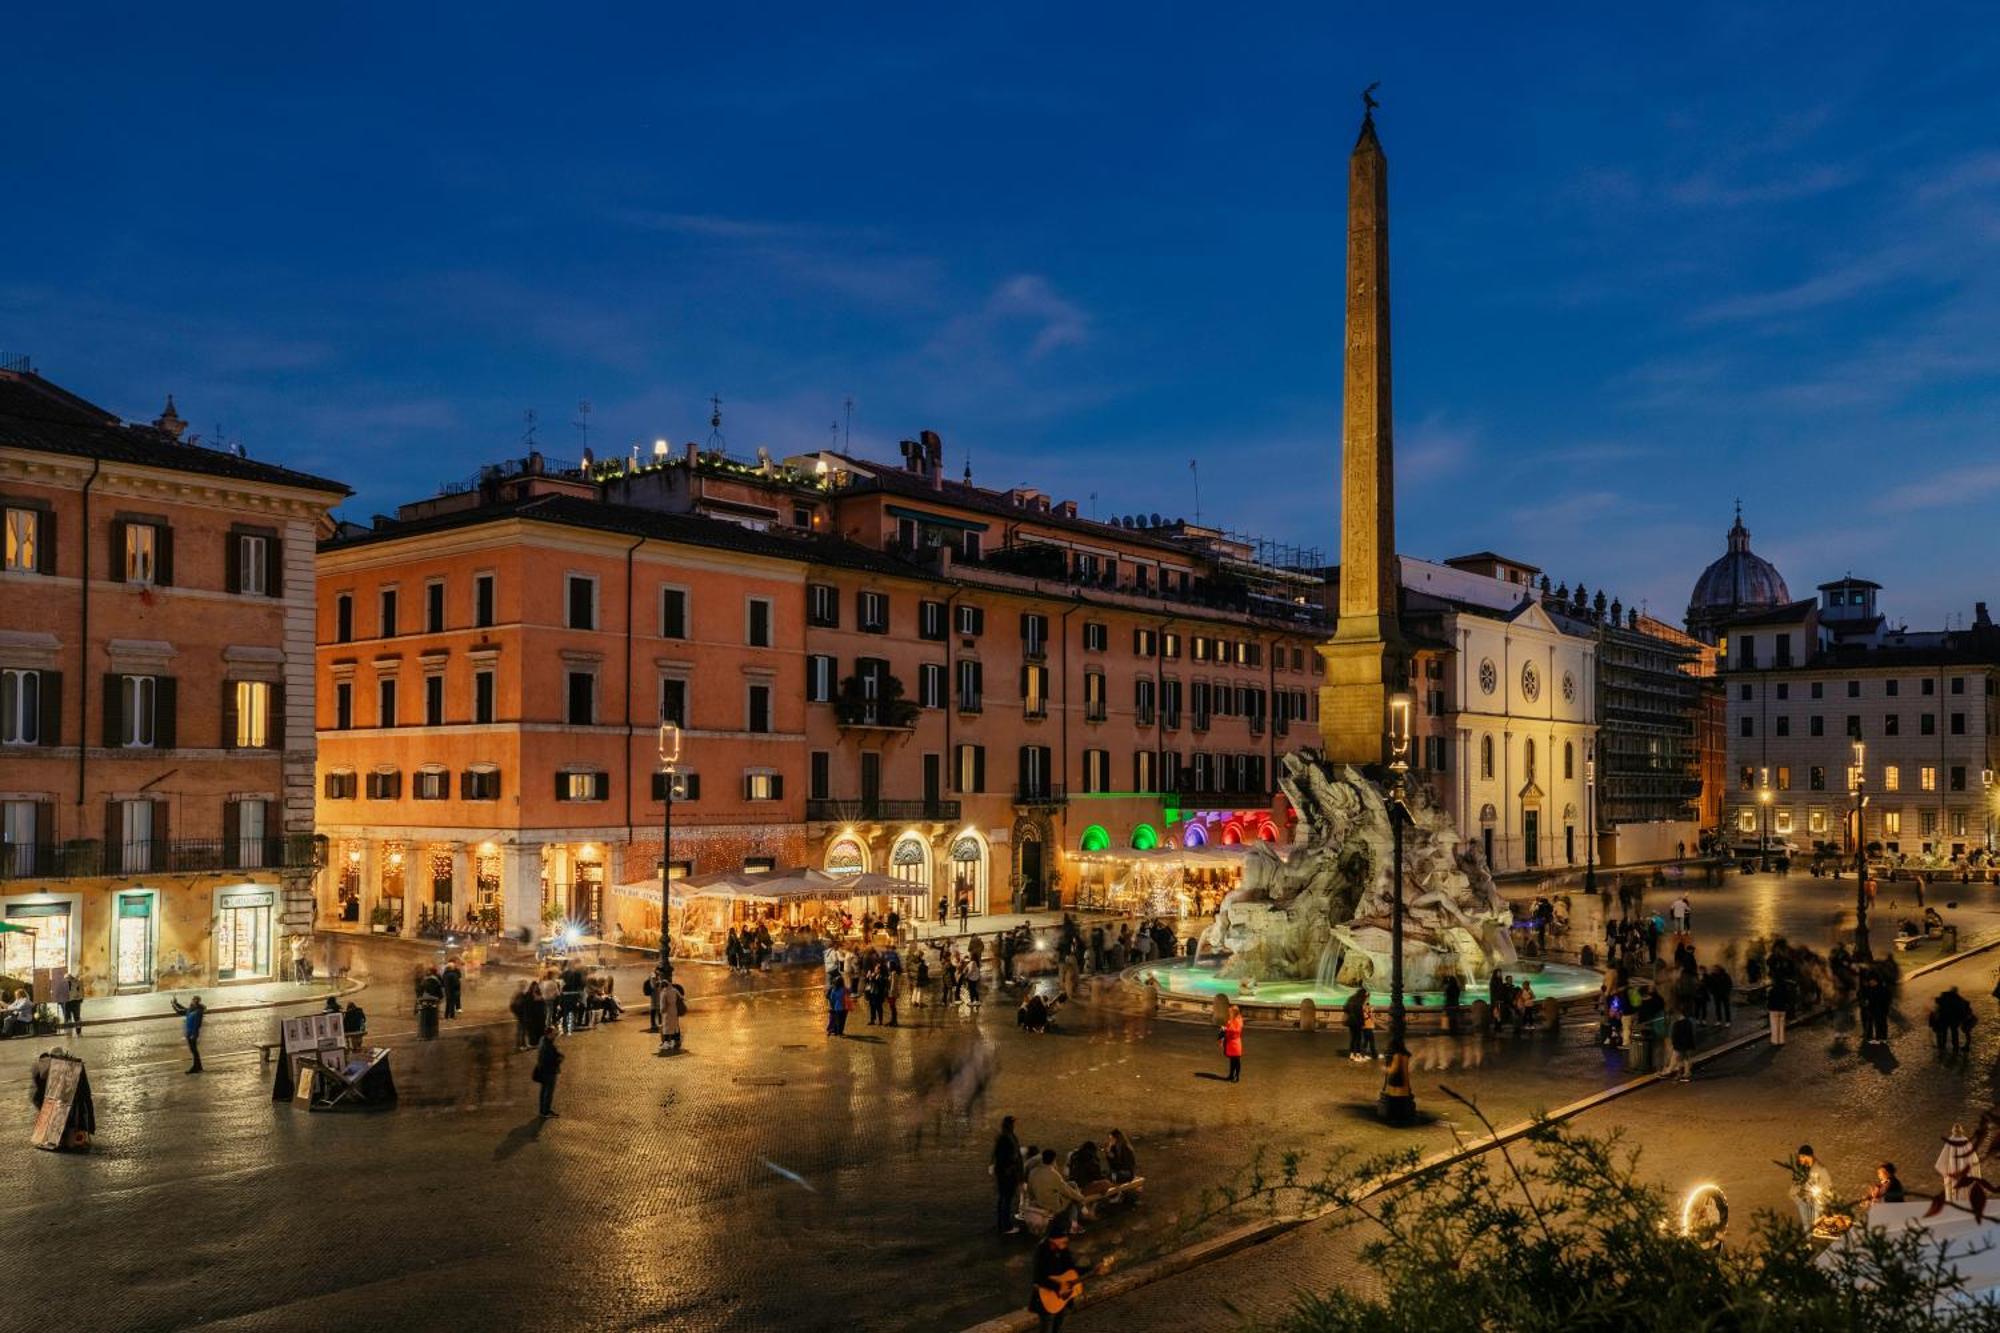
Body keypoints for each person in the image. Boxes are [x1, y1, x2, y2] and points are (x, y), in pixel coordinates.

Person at [1029, 1214, 1086, 1332]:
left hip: (1062, 1298)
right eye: (1063, 1238)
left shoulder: (1062, 1248)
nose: (1066, 1241)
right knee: (1046, 1328)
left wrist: (1092, 1269)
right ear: (1053, 1239)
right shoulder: (1042, 1250)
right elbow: (1039, 1278)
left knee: (1058, 1325)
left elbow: (1071, 1268)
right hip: (1046, 1299)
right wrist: (1059, 1286)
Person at [993, 1115, 1026, 1235]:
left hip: (1005, 1173)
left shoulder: (1005, 1137)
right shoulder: (1007, 1138)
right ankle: (1005, 1226)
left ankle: (1001, 1223)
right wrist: (1012, 1168)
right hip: (1008, 1174)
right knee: (1006, 1199)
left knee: (1003, 1199)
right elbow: (1008, 1157)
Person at [1791, 1145, 1832, 1230]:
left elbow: (1828, 1185)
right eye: (1799, 1157)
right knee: (1806, 1224)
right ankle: (1808, 1242)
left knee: (1815, 1224)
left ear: (1808, 1156)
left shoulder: (1820, 1169)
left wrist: (1824, 1201)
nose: (1800, 1159)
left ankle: (1813, 1240)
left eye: (1802, 1157)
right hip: (1802, 1200)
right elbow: (1796, 1182)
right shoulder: (1802, 1168)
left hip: (1816, 1202)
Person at [531, 1030, 563, 1117]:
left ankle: (543, 1110)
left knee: (544, 1091)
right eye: (553, 1035)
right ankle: (545, 1111)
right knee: (548, 1092)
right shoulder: (547, 1046)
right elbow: (550, 1060)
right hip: (549, 1072)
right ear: (548, 1035)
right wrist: (559, 1059)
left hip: (544, 1071)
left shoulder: (544, 1042)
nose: (555, 1036)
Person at [171, 995, 206, 1073]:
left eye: (194, 1000)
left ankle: (195, 1067)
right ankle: (198, 1067)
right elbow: (181, 1011)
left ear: (197, 1002)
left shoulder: (198, 1012)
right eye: (193, 1000)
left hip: (192, 1034)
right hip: (189, 1032)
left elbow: (197, 1024)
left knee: (194, 1050)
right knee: (193, 1050)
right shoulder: (191, 1010)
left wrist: (194, 1034)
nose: (192, 1001)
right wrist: (175, 1004)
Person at [1665, 1008, 1697, 1082]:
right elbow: (1691, 1034)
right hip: (1687, 1043)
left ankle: (1677, 1073)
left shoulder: (1677, 1024)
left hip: (1679, 1044)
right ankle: (1686, 1073)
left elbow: (1674, 1035)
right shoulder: (1688, 1022)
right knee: (1686, 1058)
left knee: (1678, 1059)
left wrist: (1674, 1043)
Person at [1767, 969, 1795, 1047]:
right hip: (1782, 1009)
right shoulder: (1784, 989)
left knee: (1774, 1025)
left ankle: (1775, 1041)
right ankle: (1781, 1040)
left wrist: (1768, 1007)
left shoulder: (1772, 990)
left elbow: (1770, 1000)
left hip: (1774, 1009)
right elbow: (1788, 998)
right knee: (1781, 1025)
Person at [1220, 1004, 1244, 1082]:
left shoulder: (1239, 1019)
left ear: (1235, 1012)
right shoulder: (1229, 1019)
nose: (1229, 1013)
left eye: (1230, 1011)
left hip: (1235, 1042)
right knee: (1232, 1060)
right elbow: (1225, 1028)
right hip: (1230, 1042)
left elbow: (1237, 1030)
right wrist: (1223, 1030)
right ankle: (1231, 1075)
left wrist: (1227, 1028)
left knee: (1236, 1060)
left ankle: (1237, 1076)